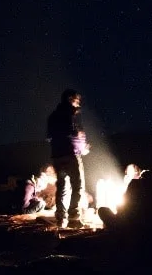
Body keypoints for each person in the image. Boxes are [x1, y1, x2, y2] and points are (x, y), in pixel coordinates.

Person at [47, 89, 90, 229]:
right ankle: (74, 218)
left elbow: (49, 137)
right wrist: (83, 149)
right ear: (70, 99)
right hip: (71, 154)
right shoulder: (71, 114)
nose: (79, 103)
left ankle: (60, 218)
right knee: (78, 186)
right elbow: (75, 134)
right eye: (77, 100)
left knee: (62, 187)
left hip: (57, 156)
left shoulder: (53, 116)